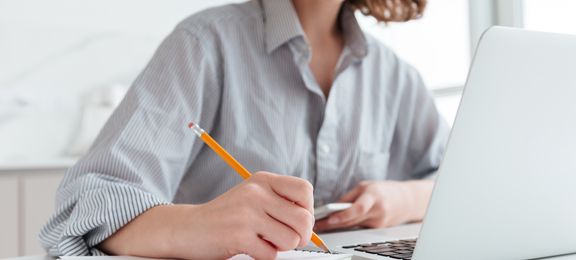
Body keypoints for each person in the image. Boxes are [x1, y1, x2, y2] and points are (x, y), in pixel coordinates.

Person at [40, 0, 449, 259]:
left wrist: (404, 198)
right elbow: (86, 205)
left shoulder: (395, 75)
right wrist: (199, 224)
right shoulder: (204, 42)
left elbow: (458, 181)